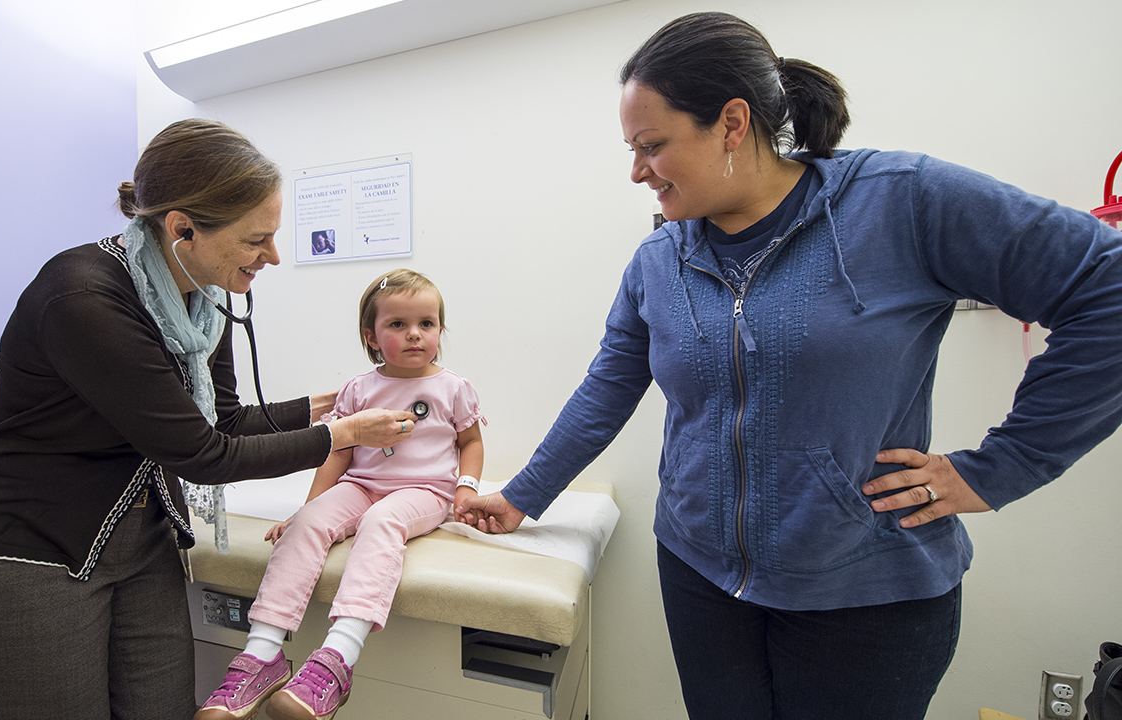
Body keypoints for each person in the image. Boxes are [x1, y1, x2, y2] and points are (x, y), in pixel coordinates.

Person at [457, 11, 1122, 720]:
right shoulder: (659, 261)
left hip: (867, 596)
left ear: (732, 123)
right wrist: (523, 493)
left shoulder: (899, 201)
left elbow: (1106, 292)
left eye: (652, 145)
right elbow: (608, 388)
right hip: (699, 578)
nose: (636, 171)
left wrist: (998, 470)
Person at [0, 119, 416, 720]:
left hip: (137, 538)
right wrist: (338, 437)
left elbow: (228, 421)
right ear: (182, 227)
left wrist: (322, 405)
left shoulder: (203, 299)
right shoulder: (85, 297)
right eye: (256, 239)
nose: (273, 256)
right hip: (27, 550)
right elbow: (203, 455)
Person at [196, 269, 485, 720]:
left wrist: (466, 488)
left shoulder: (453, 388)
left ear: (440, 331)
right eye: (397, 325)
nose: (414, 334)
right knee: (308, 524)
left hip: (424, 490)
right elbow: (337, 451)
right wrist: (308, 507)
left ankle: (337, 659)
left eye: (426, 324)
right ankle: (262, 654)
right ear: (371, 336)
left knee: (381, 522)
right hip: (361, 484)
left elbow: (470, 442)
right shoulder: (358, 389)